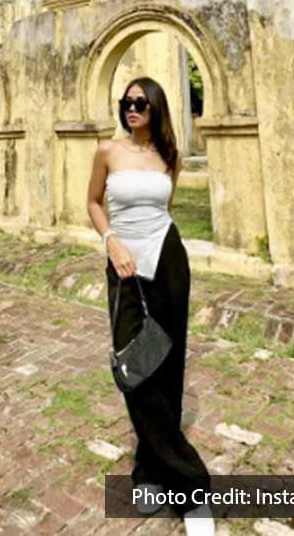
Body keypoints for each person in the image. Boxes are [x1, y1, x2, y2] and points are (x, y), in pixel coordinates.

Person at [87, 77, 215, 536]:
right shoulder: (108, 151)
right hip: (122, 266)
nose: (132, 108)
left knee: (167, 363)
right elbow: (93, 202)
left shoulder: (169, 156)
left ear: (156, 107)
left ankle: (149, 472)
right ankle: (191, 485)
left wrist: (154, 248)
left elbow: (167, 207)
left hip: (167, 262)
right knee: (134, 369)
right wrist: (111, 241)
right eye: (127, 102)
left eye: (141, 102)